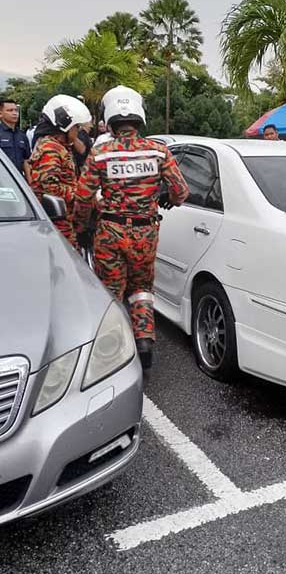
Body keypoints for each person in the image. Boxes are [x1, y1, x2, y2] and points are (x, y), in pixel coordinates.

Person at [73, 85, 189, 370]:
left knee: (110, 291)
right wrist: (167, 199)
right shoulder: (159, 152)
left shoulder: (101, 154)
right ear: (140, 117)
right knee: (141, 287)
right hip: (145, 234)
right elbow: (181, 192)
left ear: (110, 120)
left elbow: (83, 197)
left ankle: (110, 350)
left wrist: (79, 227)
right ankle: (144, 340)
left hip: (110, 233)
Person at [29, 95, 92, 247]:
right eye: (76, 127)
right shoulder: (50, 149)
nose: (78, 131)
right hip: (57, 221)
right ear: (64, 126)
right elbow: (48, 188)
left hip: (65, 216)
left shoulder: (60, 147)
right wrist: (80, 193)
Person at [0, 98, 31, 181]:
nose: (14, 113)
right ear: (1, 114)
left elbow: (26, 160)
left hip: (19, 181)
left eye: (16, 110)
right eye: (10, 110)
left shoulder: (22, 135)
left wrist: (30, 182)